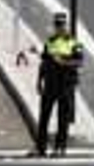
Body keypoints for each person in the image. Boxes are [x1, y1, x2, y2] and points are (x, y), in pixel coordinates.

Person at [35, 12, 84, 157]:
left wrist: (63, 62)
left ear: (66, 25)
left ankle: (60, 148)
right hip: (50, 84)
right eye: (57, 24)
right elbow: (43, 62)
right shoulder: (50, 41)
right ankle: (41, 148)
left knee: (63, 118)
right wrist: (39, 81)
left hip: (66, 85)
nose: (59, 27)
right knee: (44, 116)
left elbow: (79, 61)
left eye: (62, 24)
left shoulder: (74, 43)